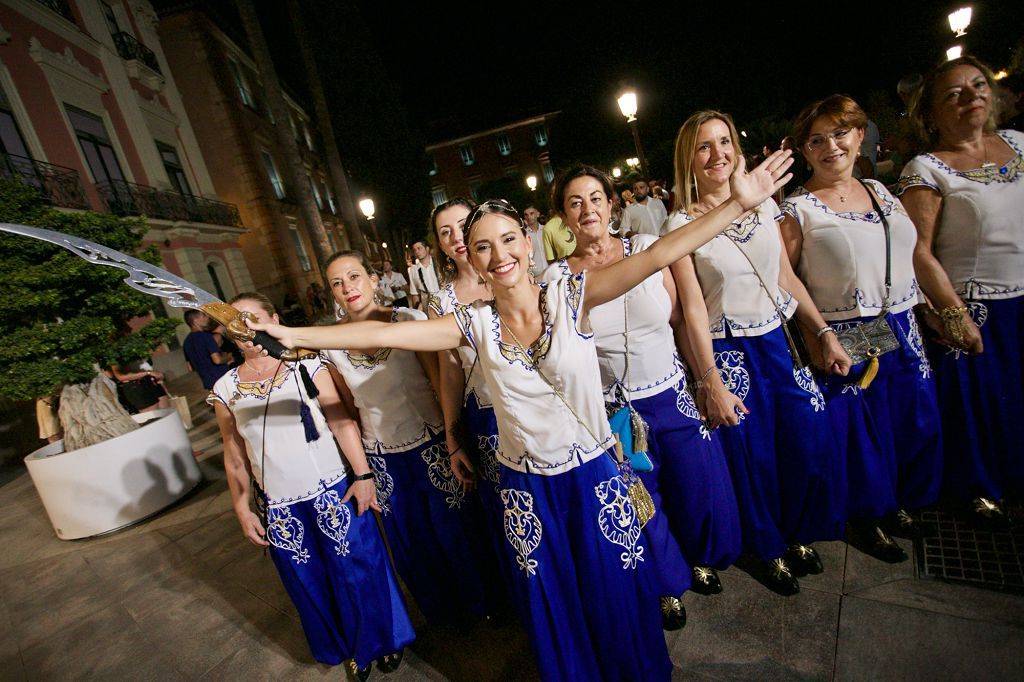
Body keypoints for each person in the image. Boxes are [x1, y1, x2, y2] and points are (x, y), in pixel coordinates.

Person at [245, 148, 794, 681]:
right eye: (483, 247)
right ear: (473, 259)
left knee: (612, 585)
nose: (499, 254)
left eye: (508, 239)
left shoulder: (572, 294)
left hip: (593, 477)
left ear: (527, 246)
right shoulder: (472, 325)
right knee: (553, 596)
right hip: (525, 489)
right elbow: (383, 332)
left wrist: (737, 205)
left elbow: (659, 254)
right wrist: (292, 334)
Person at [542, 165, 742, 613]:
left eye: (595, 197)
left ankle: (701, 558)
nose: (587, 209)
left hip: (671, 392)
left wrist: (708, 381)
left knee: (696, 482)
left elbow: (681, 321)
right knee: (641, 498)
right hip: (614, 408)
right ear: (563, 219)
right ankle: (667, 580)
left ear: (612, 203)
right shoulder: (556, 280)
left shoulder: (650, 249)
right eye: (574, 202)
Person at [665, 111, 850, 594]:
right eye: (704, 146)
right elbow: (691, 312)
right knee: (754, 456)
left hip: (778, 341)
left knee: (803, 439)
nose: (717, 154)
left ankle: (800, 530)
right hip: (727, 350)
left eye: (724, 141)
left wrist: (822, 331)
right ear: (689, 159)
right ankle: (769, 546)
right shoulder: (680, 223)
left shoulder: (764, 201)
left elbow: (784, 277)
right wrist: (709, 379)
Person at [209, 292, 413, 679]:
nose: (245, 328)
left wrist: (364, 476)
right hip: (281, 505)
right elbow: (234, 451)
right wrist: (241, 507)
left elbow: (341, 422)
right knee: (310, 582)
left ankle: (383, 639)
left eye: (252, 317)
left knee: (359, 568)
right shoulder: (224, 389)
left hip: (333, 490)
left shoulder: (306, 366)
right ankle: (351, 648)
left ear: (272, 318)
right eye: (236, 322)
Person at [780, 94, 943, 559]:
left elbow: (907, 251)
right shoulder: (798, 209)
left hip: (900, 322)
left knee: (907, 416)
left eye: (840, 133)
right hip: (845, 329)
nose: (831, 146)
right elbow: (783, 277)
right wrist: (818, 332)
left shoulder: (880, 190)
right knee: (859, 432)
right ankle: (867, 516)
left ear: (857, 135)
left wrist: (928, 303)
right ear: (804, 150)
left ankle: (899, 503)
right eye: (817, 140)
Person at [321, 249, 499, 625]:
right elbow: (348, 410)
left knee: (457, 531)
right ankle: (442, 613)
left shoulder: (408, 320)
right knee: (412, 539)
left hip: (432, 443)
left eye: (354, 276)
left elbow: (440, 383)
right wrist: (362, 469)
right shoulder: (332, 346)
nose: (347, 287)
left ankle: (483, 604)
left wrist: (454, 440)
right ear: (332, 294)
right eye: (337, 283)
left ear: (373, 280)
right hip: (382, 455)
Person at [897, 56, 1023, 522]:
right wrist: (952, 311)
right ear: (930, 113)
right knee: (983, 400)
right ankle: (981, 486)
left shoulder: (1018, 144)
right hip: (977, 301)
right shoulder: (927, 168)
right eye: (954, 93)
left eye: (978, 85)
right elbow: (919, 250)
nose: (972, 96)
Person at [424, 197, 516, 586]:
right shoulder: (440, 303)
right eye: (446, 232)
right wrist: (453, 437)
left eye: (462, 225)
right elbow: (448, 373)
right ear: (441, 246)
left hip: (529, 403)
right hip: (486, 416)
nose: (456, 236)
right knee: (510, 510)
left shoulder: (509, 270)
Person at [183, 309, 234, 389]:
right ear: (195, 320)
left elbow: (190, 367)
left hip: (208, 382)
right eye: (203, 315)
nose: (207, 318)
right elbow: (217, 360)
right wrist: (229, 358)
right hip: (222, 378)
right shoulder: (206, 337)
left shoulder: (186, 342)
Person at [407, 240, 440, 309]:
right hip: (428, 305)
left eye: (419, 248)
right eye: (414, 250)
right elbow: (415, 293)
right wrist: (416, 312)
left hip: (445, 301)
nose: (417, 252)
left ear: (427, 249)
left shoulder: (439, 263)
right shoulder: (413, 270)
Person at [522, 203, 549, 272]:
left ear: (538, 214)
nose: (529, 217)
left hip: (551, 271)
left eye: (531, 213)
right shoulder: (523, 235)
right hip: (535, 275)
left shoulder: (546, 230)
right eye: (526, 215)